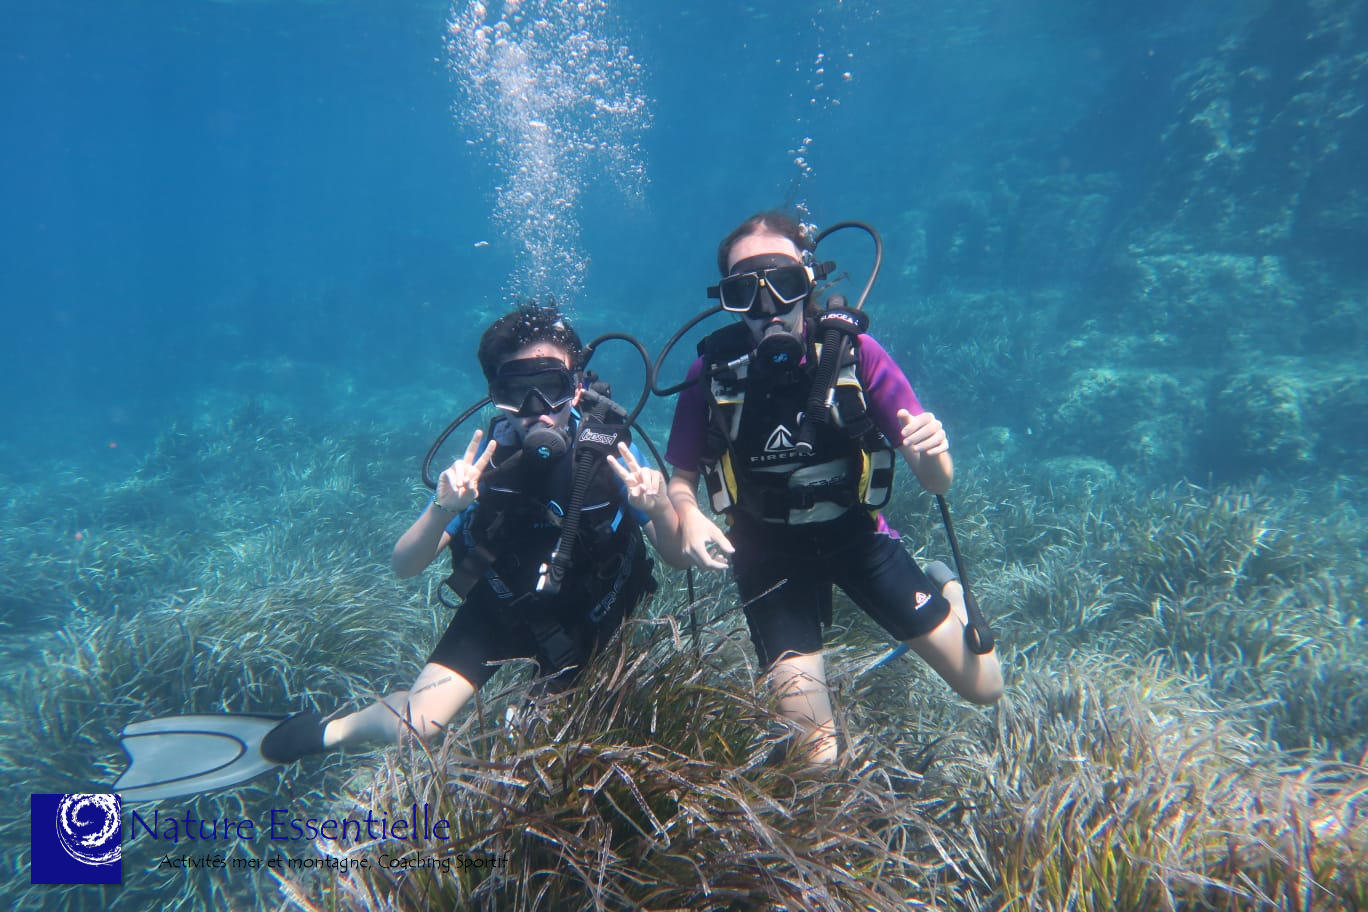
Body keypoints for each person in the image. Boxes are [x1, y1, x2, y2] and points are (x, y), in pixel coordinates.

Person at [113, 304, 688, 801]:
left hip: (595, 611)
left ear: (578, 387)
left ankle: (534, 716)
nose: (538, 407)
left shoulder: (612, 455)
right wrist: (443, 507)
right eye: (518, 391)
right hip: (505, 609)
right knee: (418, 726)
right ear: (497, 397)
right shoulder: (481, 467)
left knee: (547, 742)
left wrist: (661, 507)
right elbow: (404, 565)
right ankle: (322, 731)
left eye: (553, 387)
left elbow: (677, 558)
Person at [664, 212, 1003, 764]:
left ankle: (949, 591)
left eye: (784, 284)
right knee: (816, 759)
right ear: (728, 300)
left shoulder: (855, 353)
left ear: (809, 281)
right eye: (746, 293)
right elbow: (680, 482)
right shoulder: (712, 374)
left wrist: (934, 453)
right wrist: (690, 512)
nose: (769, 308)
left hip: (858, 538)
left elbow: (936, 481)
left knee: (985, 686)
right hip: (767, 554)